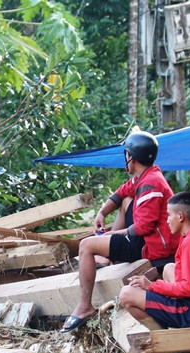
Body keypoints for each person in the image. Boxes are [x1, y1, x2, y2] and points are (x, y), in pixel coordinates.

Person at [62, 130, 179, 332]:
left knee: (86, 245)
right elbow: (123, 191)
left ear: (131, 157)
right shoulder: (146, 176)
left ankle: (84, 307)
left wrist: (110, 235)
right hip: (146, 238)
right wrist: (102, 212)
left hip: (150, 247)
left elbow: (143, 228)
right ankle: (106, 256)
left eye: (126, 153)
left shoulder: (151, 184)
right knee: (126, 201)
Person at [119, 192, 190, 328]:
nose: (167, 220)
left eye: (169, 214)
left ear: (180, 216)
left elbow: (189, 288)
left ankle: (163, 339)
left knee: (127, 294)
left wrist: (151, 286)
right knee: (169, 268)